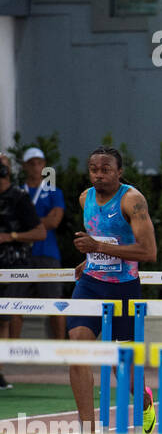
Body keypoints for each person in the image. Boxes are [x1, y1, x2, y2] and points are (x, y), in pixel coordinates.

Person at [66, 147, 157, 432]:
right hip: (90, 285)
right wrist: (90, 258)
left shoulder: (132, 200)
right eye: (94, 169)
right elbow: (106, 240)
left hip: (124, 288)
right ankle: (88, 431)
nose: (99, 174)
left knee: (123, 369)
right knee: (77, 352)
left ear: (119, 172)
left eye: (106, 169)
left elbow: (149, 251)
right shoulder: (85, 199)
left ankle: (143, 400)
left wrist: (97, 248)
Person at [0, 153, 47, 391]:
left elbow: (40, 232)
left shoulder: (19, 197)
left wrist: (11, 237)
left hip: (13, 265)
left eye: (3, 165)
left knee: (4, 319)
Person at [12, 147, 67, 346]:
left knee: (55, 303)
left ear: (44, 165)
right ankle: (12, 351)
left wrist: (26, 225)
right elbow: (11, 221)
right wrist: (36, 225)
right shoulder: (16, 192)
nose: (36, 167)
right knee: (14, 303)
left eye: (40, 163)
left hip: (47, 253)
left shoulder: (53, 191)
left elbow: (55, 221)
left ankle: (60, 350)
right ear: (25, 166)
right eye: (32, 163)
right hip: (19, 255)